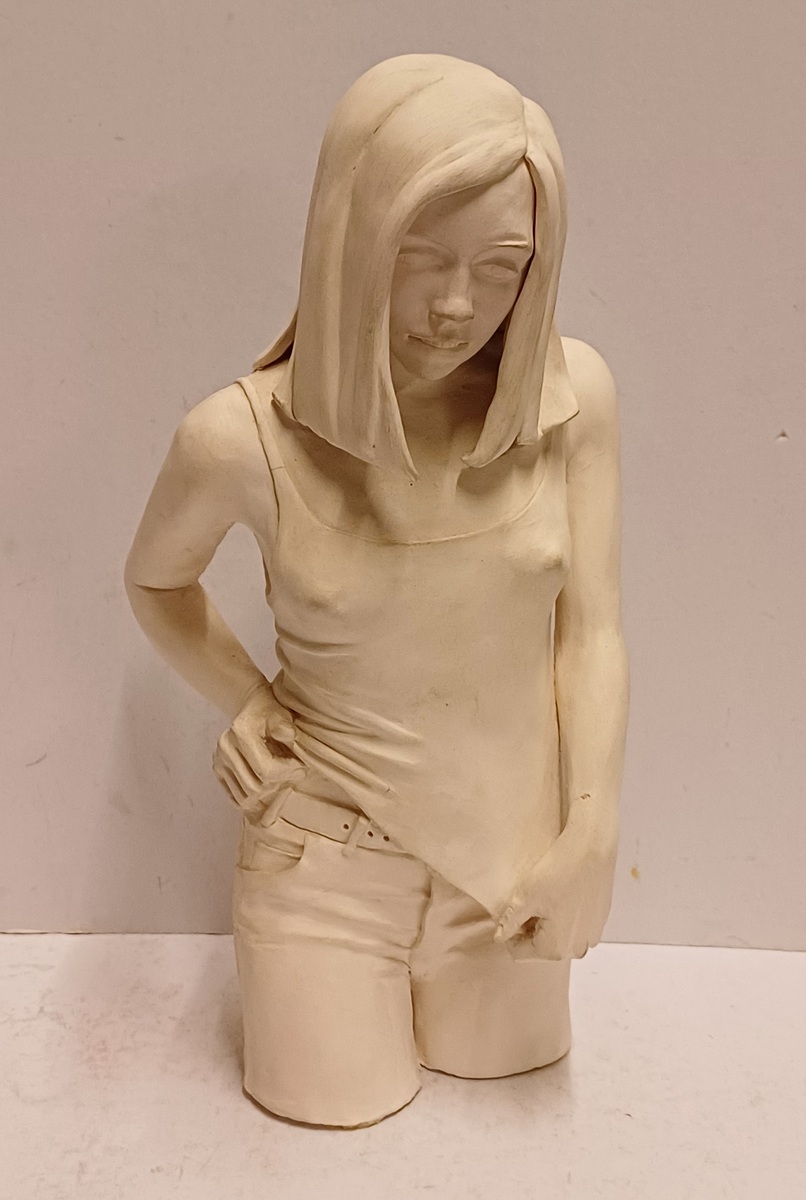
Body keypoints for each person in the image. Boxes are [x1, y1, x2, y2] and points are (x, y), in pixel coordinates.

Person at [124, 53, 629, 1129]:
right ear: (349, 236)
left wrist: (588, 832)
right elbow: (157, 581)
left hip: (514, 867)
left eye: (502, 266)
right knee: (327, 1123)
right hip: (325, 856)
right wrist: (246, 697)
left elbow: (588, 634)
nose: (458, 305)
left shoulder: (572, 403)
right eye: (420, 257)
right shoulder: (239, 438)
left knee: (509, 1112)